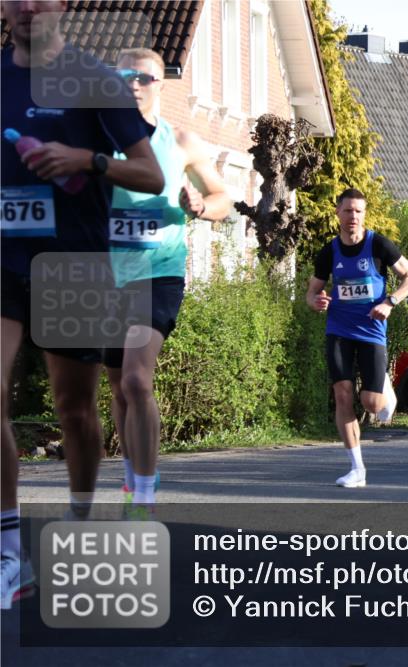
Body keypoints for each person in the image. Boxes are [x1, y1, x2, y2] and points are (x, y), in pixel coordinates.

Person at [2, 0, 163, 608]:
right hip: (3, 260)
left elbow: (149, 175)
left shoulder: (95, 80)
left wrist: (87, 161)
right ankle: (9, 553)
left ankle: (77, 520)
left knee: (75, 410)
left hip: (73, 260)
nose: (23, 8)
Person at [104, 48, 231, 515]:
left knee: (137, 379)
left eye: (144, 77)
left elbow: (222, 198)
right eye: (124, 76)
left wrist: (199, 206)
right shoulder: (97, 140)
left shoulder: (180, 141)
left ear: (161, 84)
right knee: (118, 385)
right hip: (107, 277)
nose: (133, 84)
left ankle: (145, 491)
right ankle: (132, 473)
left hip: (158, 274)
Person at [307, 188, 408, 487]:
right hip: (339, 329)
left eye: (358, 211)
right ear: (338, 213)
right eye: (347, 211)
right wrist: (316, 301)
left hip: (371, 330)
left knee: (372, 404)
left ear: (364, 215)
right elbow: (312, 291)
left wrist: (391, 302)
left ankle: (382, 385)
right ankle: (357, 468)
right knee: (342, 394)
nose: (353, 217)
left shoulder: (379, 245)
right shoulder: (329, 252)